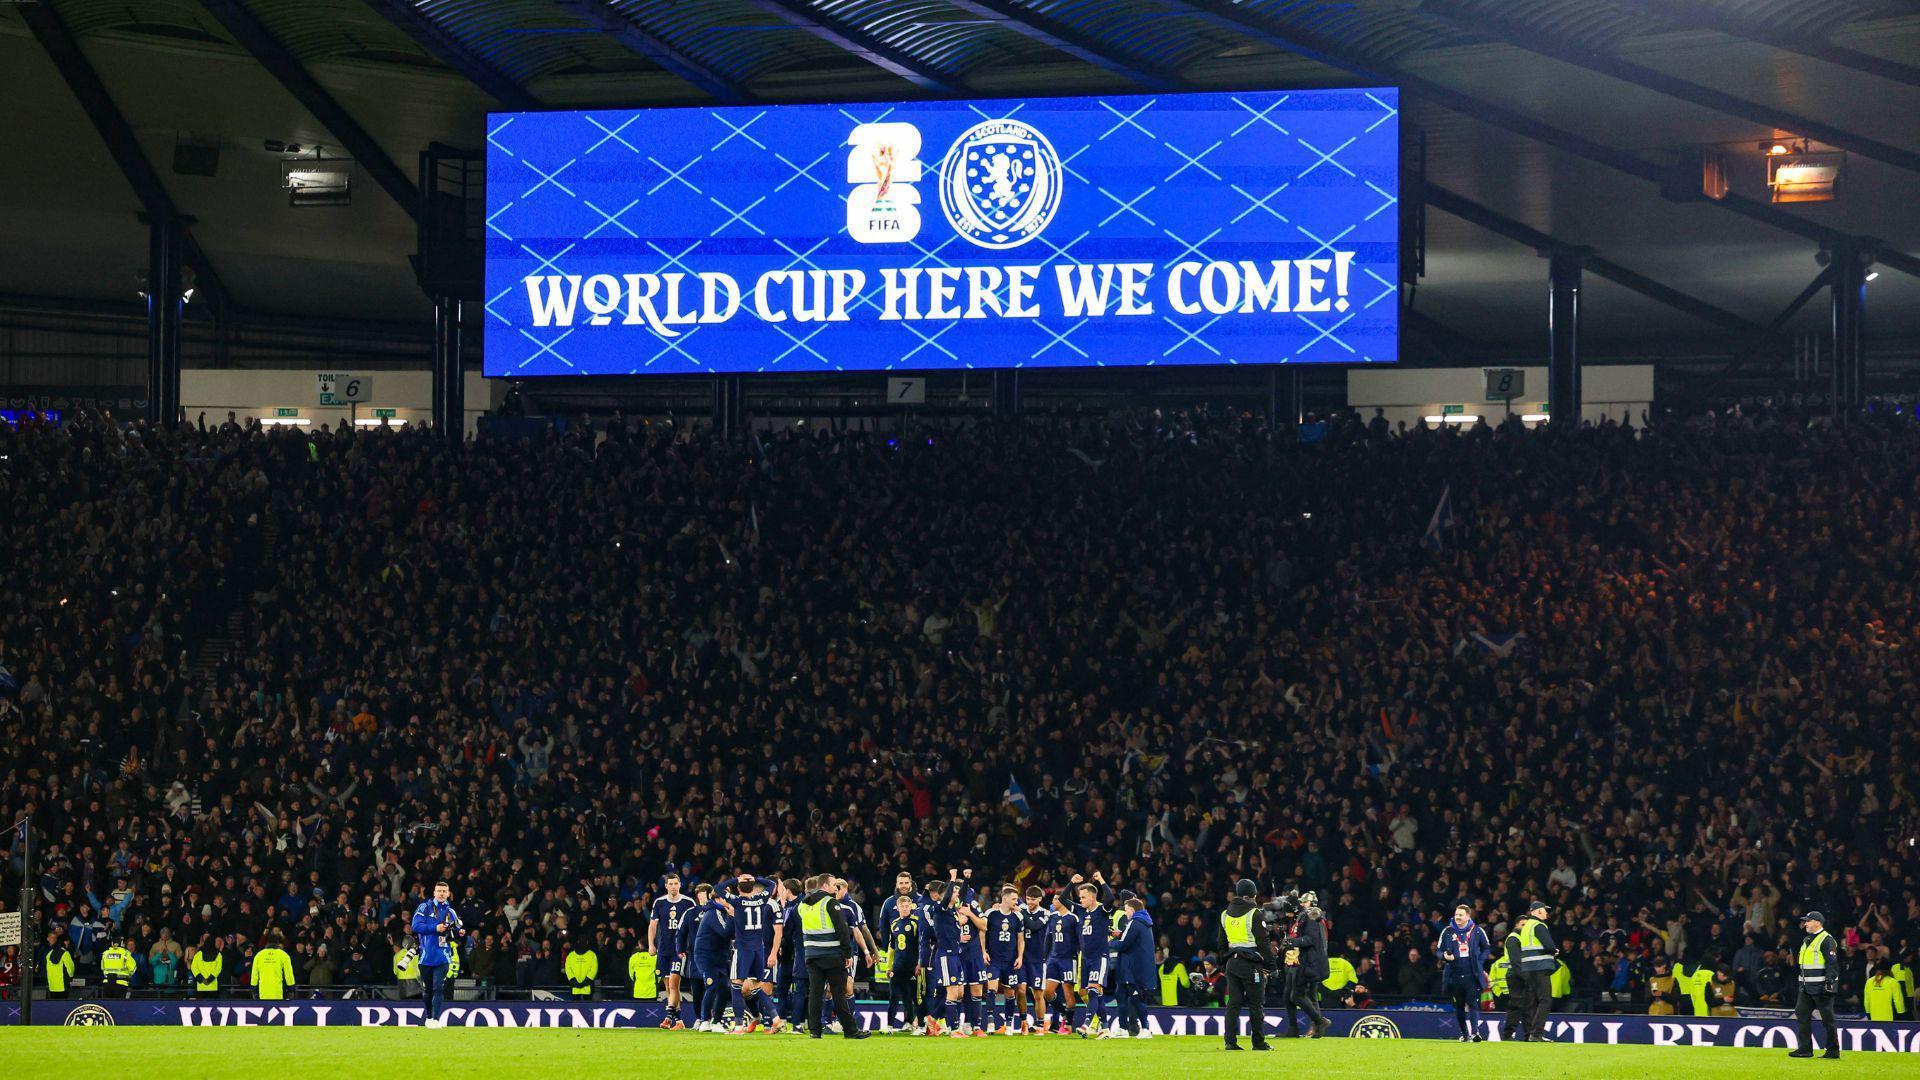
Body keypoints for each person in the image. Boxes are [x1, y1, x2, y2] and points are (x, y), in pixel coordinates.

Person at [796, 874, 869, 1040]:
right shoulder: (830, 902)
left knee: (815, 992)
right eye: (833, 884)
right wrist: (847, 953)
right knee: (838, 992)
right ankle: (850, 1030)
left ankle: (815, 1031)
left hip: (811, 955)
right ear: (824, 886)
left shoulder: (803, 904)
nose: (836, 888)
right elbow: (842, 930)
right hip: (831, 955)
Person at [1218, 879, 1273, 1051]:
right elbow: (1263, 943)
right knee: (1255, 1005)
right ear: (1252, 895)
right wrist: (1272, 966)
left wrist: (1223, 964)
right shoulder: (1254, 914)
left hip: (1231, 964)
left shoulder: (1224, 914)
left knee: (1233, 1004)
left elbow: (1220, 943)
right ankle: (1258, 1043)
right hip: (1250, 964)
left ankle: (1230, 1042)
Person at [1788, 911, 1840, 1060]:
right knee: (1801, 1014)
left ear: (1817, 922)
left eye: (1808, 921)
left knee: (1827, 1020)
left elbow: (1832, 964)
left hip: (1821, 987)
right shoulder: (1807, 940)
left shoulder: (1826, 939)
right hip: (1806, 987)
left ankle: (1833, 1051)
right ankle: (1805, 1049)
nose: (1805, 924)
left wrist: (1829, 983)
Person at [411, 880, 462, 1027]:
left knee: (438, 987)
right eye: (439, 891)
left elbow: (455, 926)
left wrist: (459, 931)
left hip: (443, 956)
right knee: (427, 990)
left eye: (444, 891)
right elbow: (415, 926)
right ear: (434, 893)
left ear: (448, 894)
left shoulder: (450, 910)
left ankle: (436, 1019)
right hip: (426, 957)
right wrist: (435, 927)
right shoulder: (425, 907)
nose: (441, 893)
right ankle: (428, 1016)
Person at [648, 873, 696, 1029]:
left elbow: (695, 925)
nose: (674, 886)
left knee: (674, 984)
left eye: (676, 883)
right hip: (663, 950)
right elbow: (653, 925)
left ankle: (668, 1018)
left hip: (679, 950)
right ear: (666, 886)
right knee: (668, 986)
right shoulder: (659, 902)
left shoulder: (688, 902)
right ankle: (679, 1021)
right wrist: (651, 944)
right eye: (671, 884)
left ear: (680, 885)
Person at [1281, 891, 1331, 1038]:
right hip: (1305, 960)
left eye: (1305, 902)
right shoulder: (1307, 917)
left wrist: (1292, 942)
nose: (1302, 904)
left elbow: (1310, 939)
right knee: (1304, 995)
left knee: (1297, 995)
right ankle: (1315, 1028)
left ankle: (1319, 1023)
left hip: (1307, 962)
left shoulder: (1312, 917)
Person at [1436, 904, 1489, 1042]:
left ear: (1468, 916)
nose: (1457, 917)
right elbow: (1438, 950)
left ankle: (1475, 1033)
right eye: (1456, 914)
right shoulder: (1447, 931)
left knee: (1473, 1004)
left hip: (1471, 974)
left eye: (1461, 915)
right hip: (1454, 975)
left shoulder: (1477, 931)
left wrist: (1479, 962)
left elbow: (1487, 948)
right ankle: (1465, 1034)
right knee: (1459, 1006)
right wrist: (1444, 957)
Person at [1112, 896, 1155, 1039]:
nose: (1125, 913)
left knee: (1136, 998)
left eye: (1126, 910)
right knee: (1121, 995)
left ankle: (1146, 1029)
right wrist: (1120, 936)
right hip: (1130, 967)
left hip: (1133, 968)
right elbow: (1131, 941)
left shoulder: (1135, 922)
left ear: (1131, 909)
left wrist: (1111, 941)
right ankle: (1123, 1028)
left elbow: (1123, 945)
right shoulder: (1144, 922)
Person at [983, 887, 1025, 1034]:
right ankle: (990, 1022)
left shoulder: (1018, 917)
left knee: (1010, 993)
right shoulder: (990, 914)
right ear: (1005, 899)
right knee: (991, 990)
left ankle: (1008, 1025)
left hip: (1010, 961)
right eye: (1014, 899)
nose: (1016, 902)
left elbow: (1021, 939)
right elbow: (982, 933)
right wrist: (983, 952)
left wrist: (1020, 957)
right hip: (993, 959)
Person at [1515, 900, 1558, 1042]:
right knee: (1545, 1000)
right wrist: (1554, 951)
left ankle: (1531, 1033)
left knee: (1533, 1001)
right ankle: (1536, 1034)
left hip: (1527, 968)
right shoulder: (1539, 925)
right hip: (1539, 967)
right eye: (1545, 910)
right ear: (1538, 911)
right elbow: (1549, 946)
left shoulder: (1526, 926)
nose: (1546, 912)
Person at [1041, 888, 1081, 1035]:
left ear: (1063, 901)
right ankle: (1064, 1013)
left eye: (1055, 899)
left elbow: (1079, 940)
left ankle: (1069, 1025)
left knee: (1068, 993)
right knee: (1048, 993)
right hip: (1054, 959)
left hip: (1068, 960)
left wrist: (1076, 955)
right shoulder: (1052, 917)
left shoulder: (1073, 918)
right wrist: (1045, 957)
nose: (1052, 902)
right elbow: (1049, 939)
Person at [883, 894, 923, 1033]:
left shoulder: (916, 922)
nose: (905, 908)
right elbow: (891, 947)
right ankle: (889, 1026)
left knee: (914, 997)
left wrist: (919, 963)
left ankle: (917, 1025)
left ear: (911, 907)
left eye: (907, 906)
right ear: (898, 907)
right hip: (898, 967)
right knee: (894, 997)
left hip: (912, 967)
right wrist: (888, 967)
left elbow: (920, 944)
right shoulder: (894, 923)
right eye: (902, 906)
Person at [251, 929, 295, 1002]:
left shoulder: (259, 955)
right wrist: (291, 989)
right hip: (278, 993)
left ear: (267, 942)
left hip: (263, 993)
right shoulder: (283, 955)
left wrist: (253, 990)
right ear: (277, 943)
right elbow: (289, 974)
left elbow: (254, 975)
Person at [564, 933, 599, 1001]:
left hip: (578, 986)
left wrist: (573, 980)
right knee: (587, 1008)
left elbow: (568, 969)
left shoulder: (571, 955)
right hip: (584, 985)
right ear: (587, 942)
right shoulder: (592, 954)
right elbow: (594, 969)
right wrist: (587, 980)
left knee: (576, 1008)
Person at [100, 934, 136, 998]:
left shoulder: (105, 953)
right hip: (121, 983)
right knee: (119, 1006)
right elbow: (133, 968)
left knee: (107, 1006)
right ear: (122, 944)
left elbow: (102, 968)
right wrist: (128, 976)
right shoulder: (125, 953)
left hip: (107, 982)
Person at [189, 934, 222, 999]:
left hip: (201, 986)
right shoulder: (218, 955)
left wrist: (201, 979)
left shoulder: (198, 954)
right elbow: (218, 969)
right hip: (213, 987)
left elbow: (193, 967)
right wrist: (209, 979)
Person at [43, 931, 74, 1000]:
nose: (53, 939)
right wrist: (70, 978)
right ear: (48, 938)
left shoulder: (48, 953)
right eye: (51, 937)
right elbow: (71, 968)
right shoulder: (64, 952)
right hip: (62, 985)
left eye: (55, 938)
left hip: (52, 985)